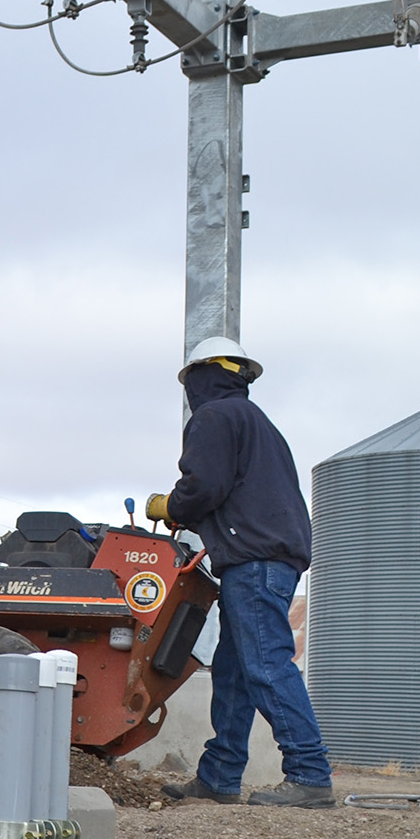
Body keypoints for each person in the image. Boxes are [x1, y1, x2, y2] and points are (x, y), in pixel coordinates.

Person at [149, 339, 334, 808]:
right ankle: (219, 776)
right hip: (269, 555)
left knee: (267, 664)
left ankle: (310, 774)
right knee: (233, 670)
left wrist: (170, 505)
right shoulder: (259, 423)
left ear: (200, 377)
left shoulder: (214, 417)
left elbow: (204, 486)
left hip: (255, 558)